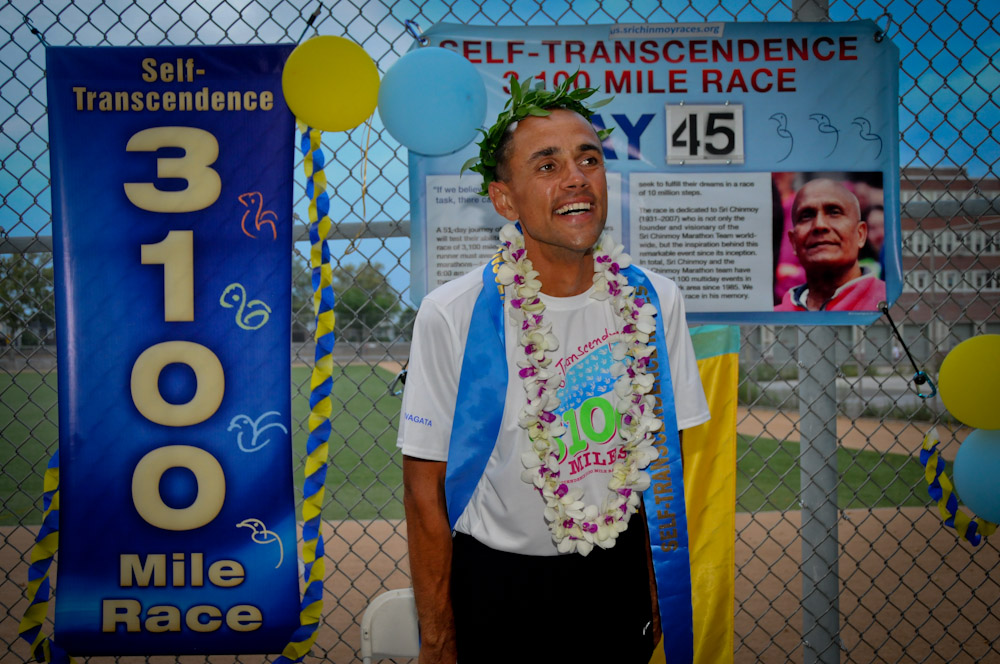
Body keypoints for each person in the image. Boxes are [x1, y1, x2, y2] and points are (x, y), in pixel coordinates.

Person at [396, 77, 710, 664]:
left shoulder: (654, 300)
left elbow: (669, 462)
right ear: (505, 200)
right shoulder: (453, 313)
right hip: (497, 584)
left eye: (589, 159)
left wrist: (655, 582)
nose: (576, 178)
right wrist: (437, 635)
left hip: (615, 576)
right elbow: (423, 488)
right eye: (547, 165)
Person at [774, 177, 887, 312]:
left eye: (834, 212)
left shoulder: (892, 303)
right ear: (793, 242)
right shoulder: (773, 318)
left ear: (860, 234)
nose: (819, 225)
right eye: (806, 216)